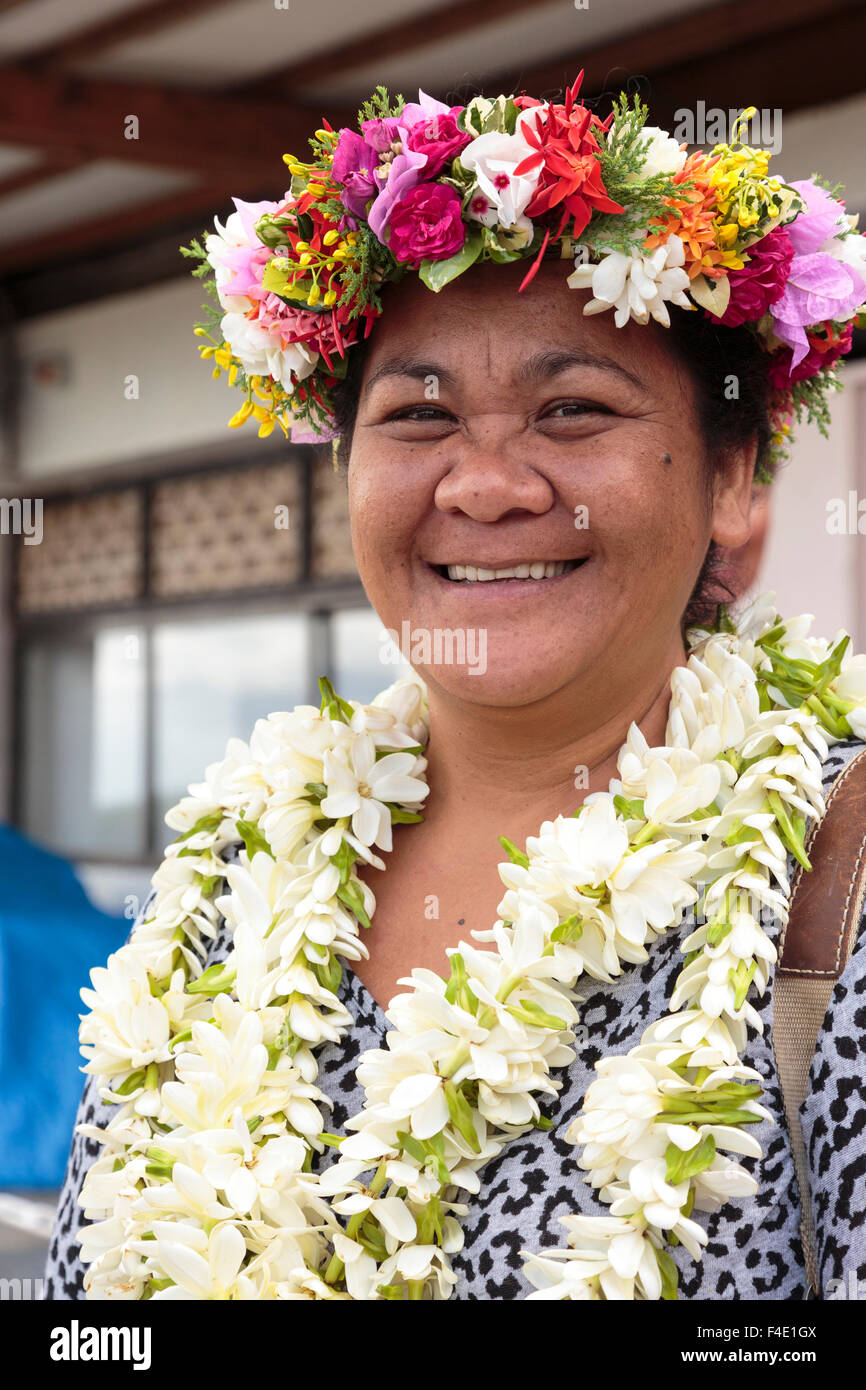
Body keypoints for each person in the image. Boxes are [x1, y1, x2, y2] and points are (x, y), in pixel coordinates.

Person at [45, 77, 866, 1301]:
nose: (483, 486)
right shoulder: (226, 872)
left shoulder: (831, 883)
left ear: (732, 477)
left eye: (573, 408)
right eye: (417, 417)